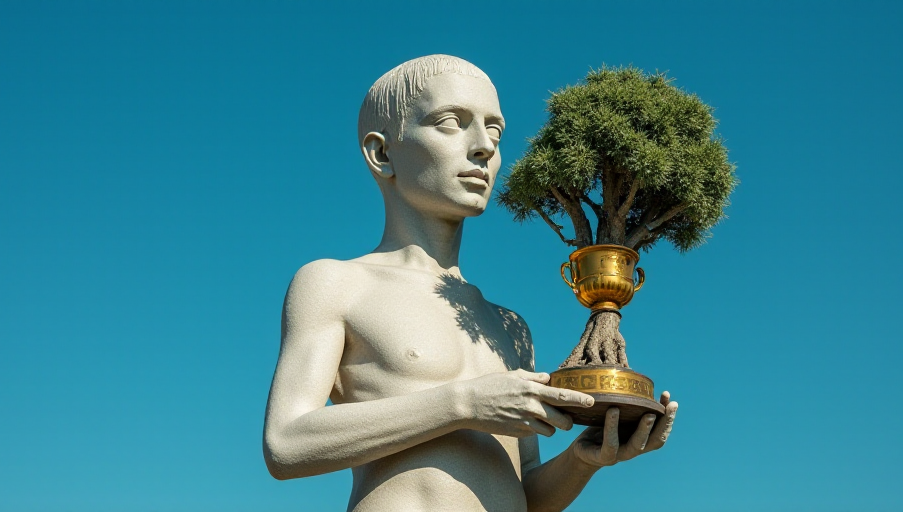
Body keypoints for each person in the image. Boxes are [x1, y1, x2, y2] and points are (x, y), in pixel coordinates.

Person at [262, 55, 678, 512]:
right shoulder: (335, 282)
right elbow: (286, 443)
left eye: (495, 132)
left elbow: (527, 495)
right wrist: (462, 403)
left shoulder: (508, 325)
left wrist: (584, 460)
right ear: (382, 154)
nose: (483, 147)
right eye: (450, 123)